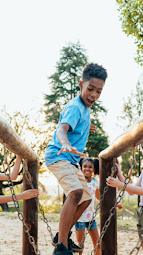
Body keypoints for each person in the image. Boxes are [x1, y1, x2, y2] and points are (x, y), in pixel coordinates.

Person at [45, 63, 108, 255]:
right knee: (75, 192)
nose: (94, 95)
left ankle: (62, 236)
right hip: (59, 155)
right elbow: (62, 129)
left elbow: (76, 122)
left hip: (71, 161)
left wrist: (86, 125)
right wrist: (64, 142)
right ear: (81, 84)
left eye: (99, 91)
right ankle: (62, 246)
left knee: (87, 198)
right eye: (90, 89)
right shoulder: (75, 107)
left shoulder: (84, 109)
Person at [74, 158, 122, 255]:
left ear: (94, 169)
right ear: (81, 168)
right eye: (85, 166)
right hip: (80, 218)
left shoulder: (95, 182)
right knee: (80, 245)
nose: (87, 169)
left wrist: (115, 203)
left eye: (90, 167)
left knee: (98, 243)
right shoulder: (78, 181)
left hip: (91, 218)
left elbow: (100, 197)